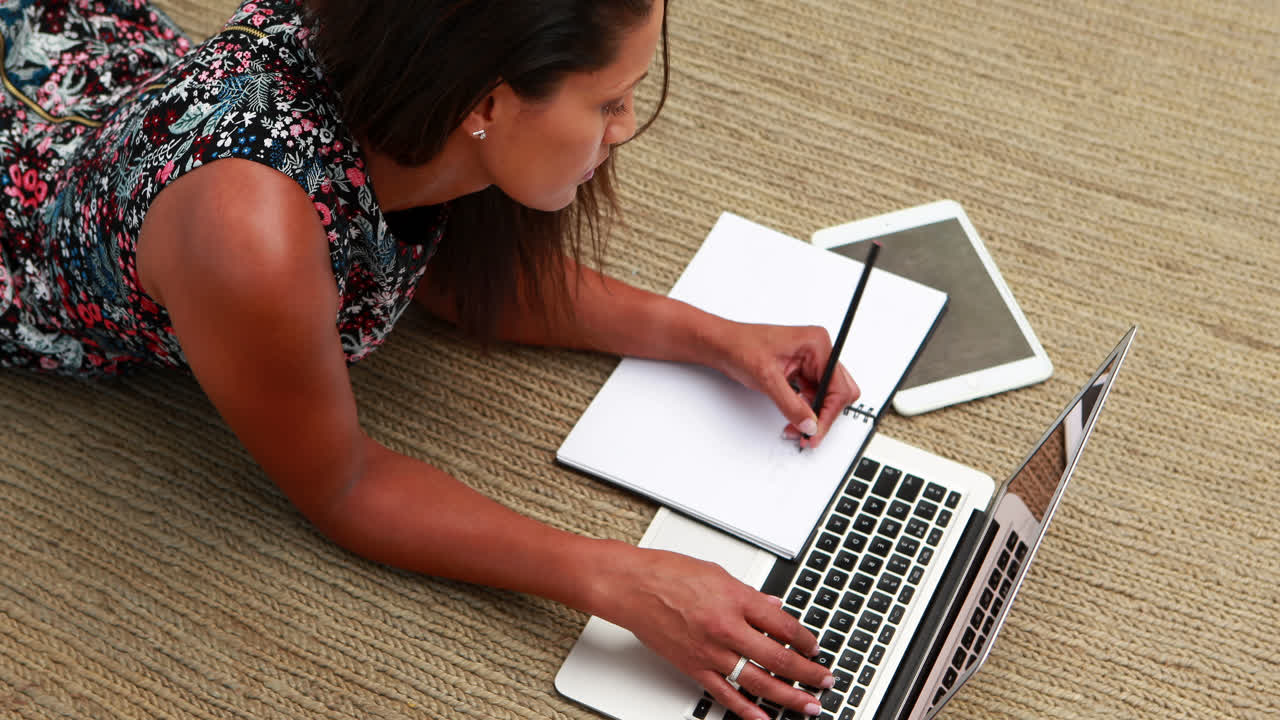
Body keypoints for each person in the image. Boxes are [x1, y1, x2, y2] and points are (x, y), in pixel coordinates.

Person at [0, 1, 860, 717]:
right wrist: (619, 579)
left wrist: (715, 337)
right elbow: (345, 488)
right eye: (610, 102)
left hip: (95, 80)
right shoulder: (250, 237)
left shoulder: (424, 70)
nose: (627, 128)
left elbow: (434, 264)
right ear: (485, 105)